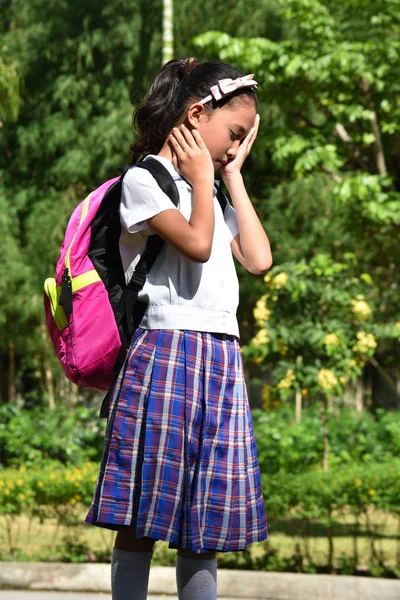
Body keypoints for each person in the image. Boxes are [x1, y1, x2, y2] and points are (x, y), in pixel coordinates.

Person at [85, 56, 272, 600]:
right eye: (232, 135)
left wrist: (229, 175)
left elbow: (257, 258)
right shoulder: (146, 179)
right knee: (142, 511)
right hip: (165, 352)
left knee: (205, 516)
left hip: (219, 356)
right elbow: (195, 243)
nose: (235, 147)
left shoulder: (212, 187)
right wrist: (201, 177)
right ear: (195, 114)